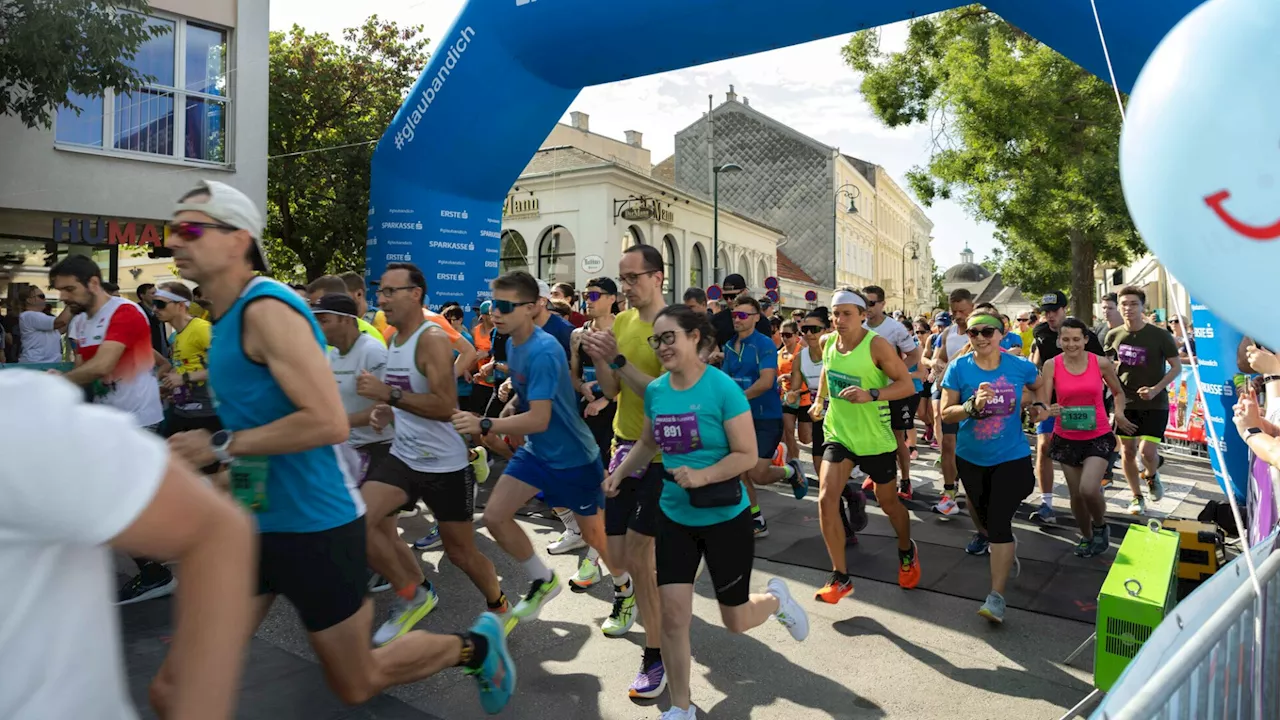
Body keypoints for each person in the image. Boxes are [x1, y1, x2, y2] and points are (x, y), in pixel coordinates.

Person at [161, 179, 514, 714]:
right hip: (256, 521)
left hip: (314, 526)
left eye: (189, 229)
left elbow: (325, 422)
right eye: (172, 229)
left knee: (357, 679)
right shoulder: (226, 320)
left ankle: (475, 646)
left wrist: (218, 444)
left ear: (236, 240)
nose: (175, 241)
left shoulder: (268, 309)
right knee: (177, 689)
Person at [1, 372, 255, 720]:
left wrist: (223, 443)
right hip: (215, 463)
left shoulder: (17, 420)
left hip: (308, 496)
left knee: (355, 682)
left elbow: (217, 530)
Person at [604, 305, 809, 720]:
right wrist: (619, 474)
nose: (662, 347)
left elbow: (747, 455)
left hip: (724, 518)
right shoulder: (659, 391)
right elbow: (648, 442)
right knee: (674, 618)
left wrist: (703, 476)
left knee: (734, 620)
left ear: (695, 338)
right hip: (674, 516)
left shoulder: (722, 390)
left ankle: (774, 602)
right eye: (656, 340)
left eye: (669, 338)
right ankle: (681, 708)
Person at [453, 271, 615, 635]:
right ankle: (542, 579)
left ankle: (626, 587)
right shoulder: (513, 344)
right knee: (495, 517)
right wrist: (510, 402)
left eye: (505, 306)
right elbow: (533, 402)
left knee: (598, 540)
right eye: (493, 304)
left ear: (531, 308)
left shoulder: (543, 349)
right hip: (538, 453)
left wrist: (485, 424)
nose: (495, 312)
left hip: (575, 458)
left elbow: (540, 418)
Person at [357, 264, 511, 644]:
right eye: (381, 290)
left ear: (415, 294)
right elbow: (403, 395)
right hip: (404, 456)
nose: (382, 298)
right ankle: (415, 592)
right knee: (356, 521)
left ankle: (500, 606)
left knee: (461, 554)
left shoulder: (431, 340)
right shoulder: (394, 340)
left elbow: (444, 406)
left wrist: (387, 395)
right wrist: (385, 409)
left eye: (391, 291)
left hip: (444, 463)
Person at [49, 254, 171, 603]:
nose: (65, 298)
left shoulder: (125, 312)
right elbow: (86, 369)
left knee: (112, 503)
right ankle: (153, 567)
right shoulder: (80, 324)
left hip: (137, 423)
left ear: (92, 283)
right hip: (106, 422)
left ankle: (160, 569)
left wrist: (55, 385)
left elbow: (103, 364)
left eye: (70, 289)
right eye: (59, 292)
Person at [580, 245, 669, 697]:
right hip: (621, 447)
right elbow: (614, 388)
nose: (626, 287)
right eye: (623, 279)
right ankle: (644, 601)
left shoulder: (671, 327)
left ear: (657, 277)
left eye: (633, 278)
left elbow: (664, 395)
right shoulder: (621, 322)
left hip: (660, 457)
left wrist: (615, 358)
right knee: (614, 556)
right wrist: (600, 354)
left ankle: (656, 655)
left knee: (637, 554)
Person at [811, 289, 920, 603]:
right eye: (835, 314)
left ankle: (906, 549)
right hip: (840, 433)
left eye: (847, 313)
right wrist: (820, 401)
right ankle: (840, 577)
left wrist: (871, 394)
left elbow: (905, 385)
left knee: (888, 504)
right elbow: (828, 371)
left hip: (875, 439)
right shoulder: (827, 341)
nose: (840, 320)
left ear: (863, 315)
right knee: (825, 498)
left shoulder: (877, 345)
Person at [939, 313, 1044, 624]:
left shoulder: (1019, 366)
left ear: (1002, 334)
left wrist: (1035, 404)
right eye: (974, 332)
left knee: (998, 522)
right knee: (981, 514)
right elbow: (946, 413)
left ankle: (996, 597)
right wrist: (972, 406)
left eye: (988, 331)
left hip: (1010, 457)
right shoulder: (959, 367)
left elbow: (1040, 385)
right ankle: (1001, 544)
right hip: (971, 457)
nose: (981, 337)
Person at [718, 294, 807, 540]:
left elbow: (766, 382)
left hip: (766, 417)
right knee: (740, 471)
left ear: (756, 318)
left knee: (757, 474)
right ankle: (755, 517)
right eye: (735, 314)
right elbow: (725, 382)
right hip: (739, 419)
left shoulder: (764, 344)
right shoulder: (728, 345)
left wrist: (737, 399)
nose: (737, 318)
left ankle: (790, 471)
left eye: (743, 315)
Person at [1039, 317, 1129, 557]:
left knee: (1089, 489)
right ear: (1059, 341)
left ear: (1086, 340)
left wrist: (1118, 413)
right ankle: (1087, 537)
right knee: (1076, 496)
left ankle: (1100, 526)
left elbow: (1118, 392)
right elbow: (1044, 403)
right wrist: (1048, 409)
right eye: (1066, 339)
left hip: (1097, 434)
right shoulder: (1051, 365)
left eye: (1076, 339)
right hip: (1066, 436)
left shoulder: (1100, 363)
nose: (1071, 344)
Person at [1028, 291, 1105, 524]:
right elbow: (1037, 362)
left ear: (1065, 310)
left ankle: (1094, 492)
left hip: (1080, 404)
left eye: (1055, 311)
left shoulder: (1086, 336)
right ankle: (1047, 504)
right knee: (1044, 446)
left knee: (1081, 456)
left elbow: (1100, 370)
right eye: (1046, 312)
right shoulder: (1039, 332)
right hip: (1051, 402)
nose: (1050, 316)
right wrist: (1034, 394)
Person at [1104, 286, 1182, 515]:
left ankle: (1151, 474)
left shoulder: (1160, 335)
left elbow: (1176, 367)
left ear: (1143, 307)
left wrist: (1156, 389)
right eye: (1124, 304)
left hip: (1155, 402)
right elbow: (1107, 367)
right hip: (1126, 402)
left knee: (1148, 453)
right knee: (1127, 452)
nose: (1128, 309)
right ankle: (1137, 497)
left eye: (1134, 304)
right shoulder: (1113, 335)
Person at [153, 283, 223, 474]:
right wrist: (171, 387)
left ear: (181, 305)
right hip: (182, 411)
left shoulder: (201, 328)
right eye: (153, 303)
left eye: (160, 304)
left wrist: (184, 378)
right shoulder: (177, 336)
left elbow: (225, 366)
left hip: (207, 415)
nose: (154, 309)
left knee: (206, 478)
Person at [863, 285, 924, 498]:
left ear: (882, 304)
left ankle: (905, 479)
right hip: (871, 391)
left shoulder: (895, 328)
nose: (867, 307)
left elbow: (914, 356)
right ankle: (876, 473)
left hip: (895, 391)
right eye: (864, 303)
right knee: (873, 434)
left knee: (898, 436)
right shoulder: (859, 325)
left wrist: (898, 373)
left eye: (871, 303)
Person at [929, 290, 976, 519]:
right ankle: (949, 493)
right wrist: (937, 363)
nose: (958, 316)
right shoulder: (948, 332)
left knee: (971, 448)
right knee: (948, 444)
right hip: (952, 394)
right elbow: (937, 357)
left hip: (976, 397)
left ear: (972, 307)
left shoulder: (982, 331)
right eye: (954, 311)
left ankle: (975, 492)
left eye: (963, 311)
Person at [790, 309, 830, 481]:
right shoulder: (800, 357)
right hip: (819, 413)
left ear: (827, 330)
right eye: (804, 330)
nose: (809, 334)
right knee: (819, 460)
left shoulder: (838, 352)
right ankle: (840, 498)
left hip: (846, 413)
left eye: (814, 329)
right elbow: (795, 389)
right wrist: (791, 396)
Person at [306, 275, 387, 347]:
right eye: (312, 306)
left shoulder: (371, 339)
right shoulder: (313, 333)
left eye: (320, 304)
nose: (316, 311)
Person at [778, 319, 812, 469]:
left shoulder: (803, 351)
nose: (785, 338)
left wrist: (794, 377)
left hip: (804, 397)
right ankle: (794, 462)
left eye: (788, 335)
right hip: (787, 397)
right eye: (782, 335)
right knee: (788, 430)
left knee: (805, 438)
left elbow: (810, 373)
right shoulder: (780, 353)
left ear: (796, 335)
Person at [711, 274, 772, 347]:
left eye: (733, 296)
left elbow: (765, 350)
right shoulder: (717, 320)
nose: (729, 300)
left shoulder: (761, 321)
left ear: (745, 292)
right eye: (726, 296)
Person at [18, 285, 70, 363]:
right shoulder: (29, 315)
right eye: (41, 296)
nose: (45, 299)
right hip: (35, 365)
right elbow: (60, 322)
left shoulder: (38, 316)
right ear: (29, 300)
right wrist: (72, 303)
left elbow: (60, 330)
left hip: (44, 365)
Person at [341, 270, 389, 336]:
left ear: (359, 294)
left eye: (343, 296)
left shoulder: (379, 318)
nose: (338, 301)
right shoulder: (344, 321)